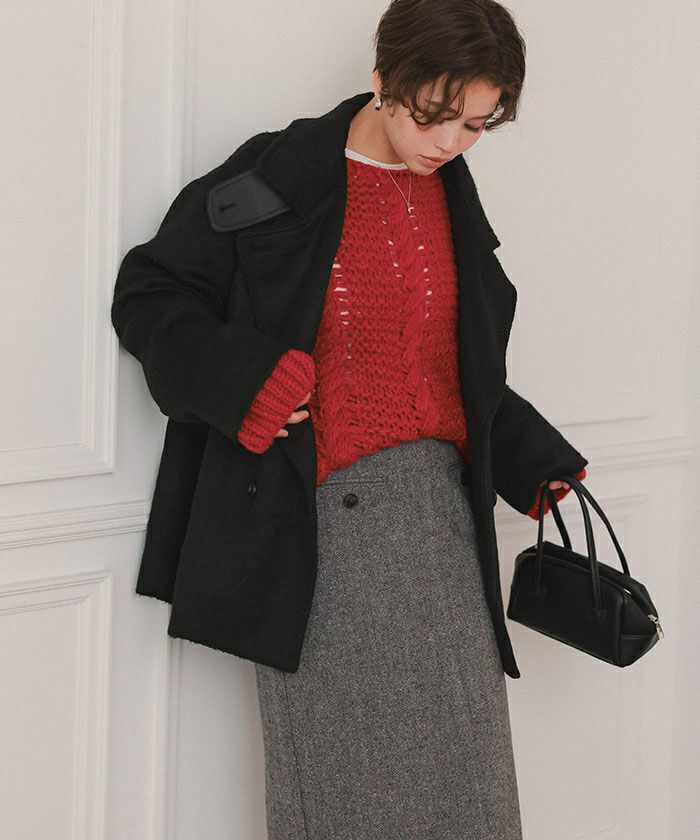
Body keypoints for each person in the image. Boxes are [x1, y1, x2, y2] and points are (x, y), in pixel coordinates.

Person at [111, 1, 589, 836]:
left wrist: (530, 461)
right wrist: (244, 381)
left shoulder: (450, 192)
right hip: (320, 530)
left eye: (476, 125)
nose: (451, 142)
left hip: (444, 527)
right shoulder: (276, 177)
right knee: (350, 795)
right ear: (382, 79)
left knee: (471, 792)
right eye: (435, 115)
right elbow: (149, 295)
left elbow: (446, 368)